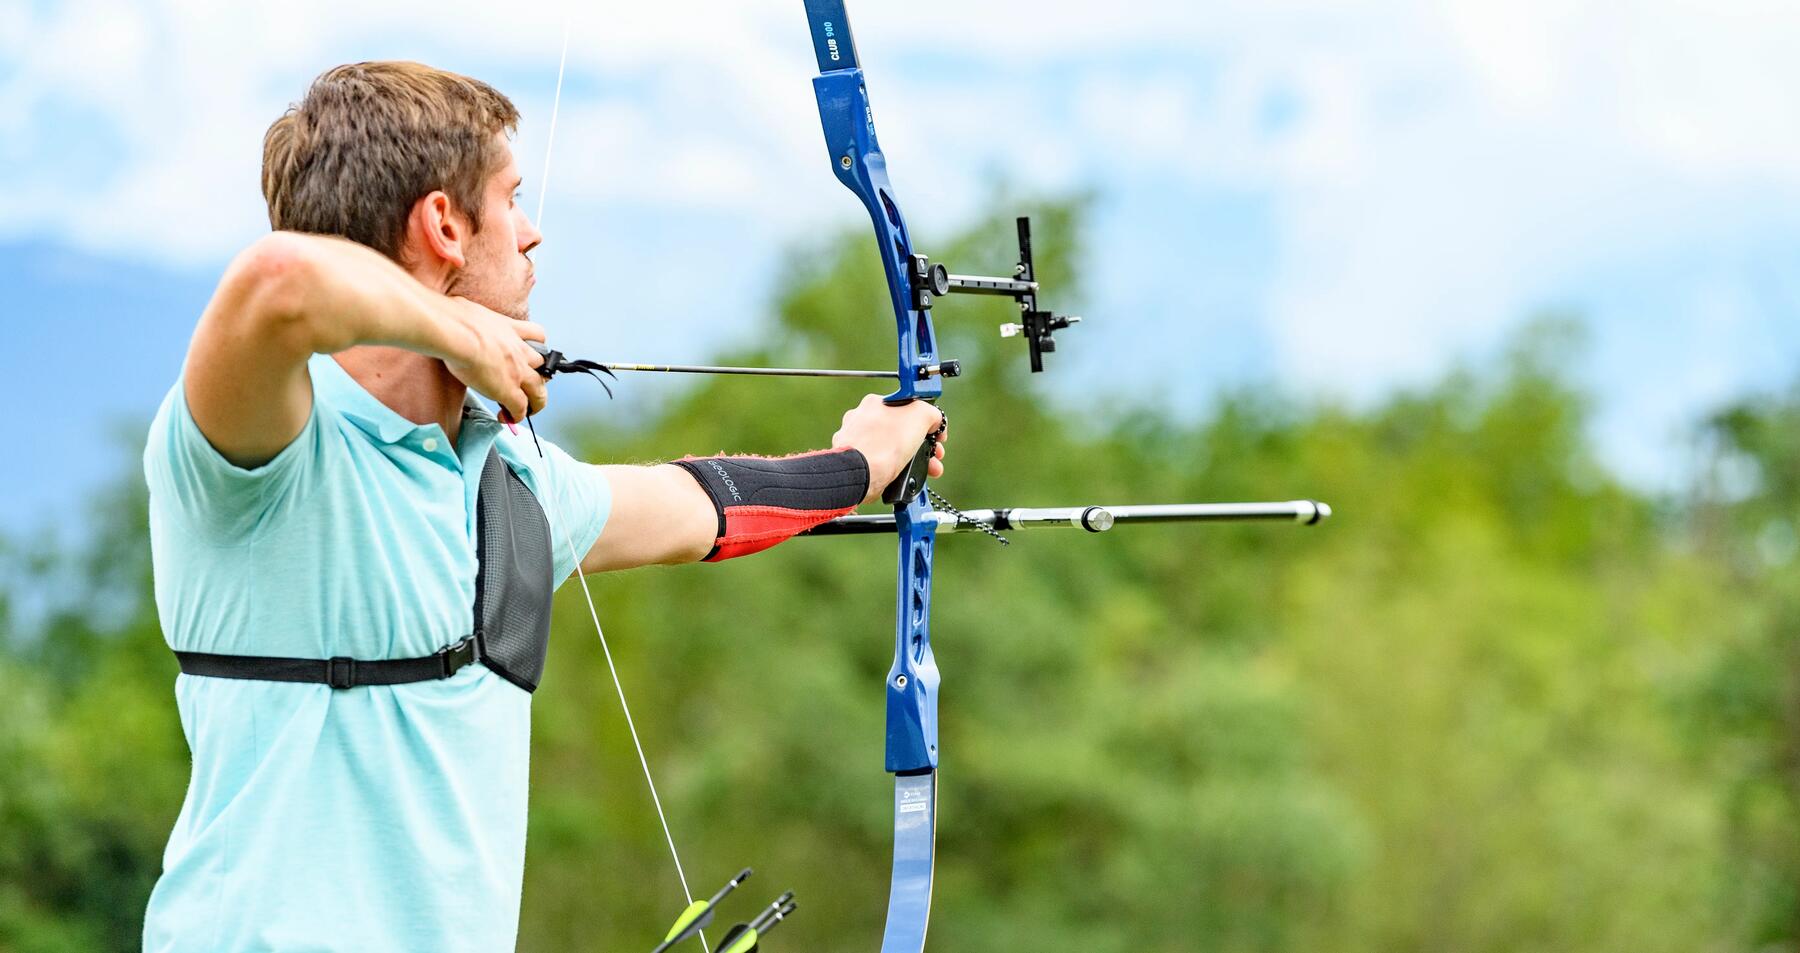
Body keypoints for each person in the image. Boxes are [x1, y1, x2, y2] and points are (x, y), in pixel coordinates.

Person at [140, 60, 946, 953]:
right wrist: (456, 330)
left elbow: (704, 507)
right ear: (443, 225)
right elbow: (275, 281)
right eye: (510, 199)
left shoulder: (505, 479)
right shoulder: (266, 451)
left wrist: (864, 461)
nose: (531, 234)